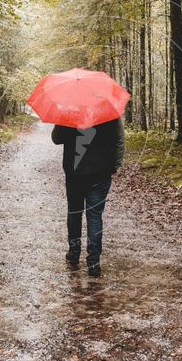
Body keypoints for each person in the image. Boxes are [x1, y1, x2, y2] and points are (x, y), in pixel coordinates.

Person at [51, 117, 125, 277]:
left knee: (74, 212)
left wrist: (62, 121)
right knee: (95, 216)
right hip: (101, 172)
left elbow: (56, 139)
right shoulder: (110, 112)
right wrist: (116, 165)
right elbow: (119, 140)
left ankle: (74, 252)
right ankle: (93, 263)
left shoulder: (69, 112)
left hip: (75, 171)